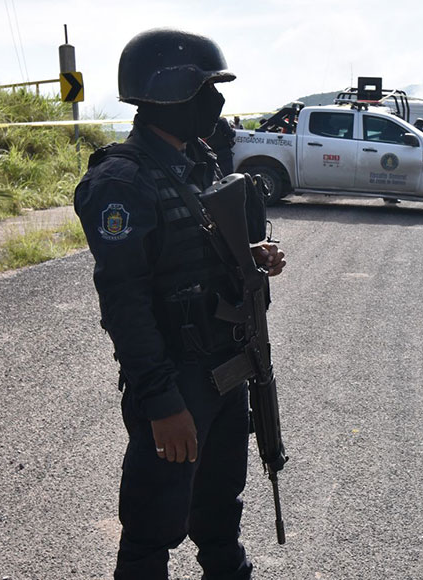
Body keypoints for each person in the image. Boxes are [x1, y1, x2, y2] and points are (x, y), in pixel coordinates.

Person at [73, 28, 286, 580]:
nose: (215, 102)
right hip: (177, 378)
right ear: (166, 94)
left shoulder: (197, 160)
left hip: (227, 366)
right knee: (152, 528)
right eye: (204, 90)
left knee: (219, 512)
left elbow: (195, 249)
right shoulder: (122, 182)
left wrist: (249, 256)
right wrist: (162, 403)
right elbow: (125, 304)